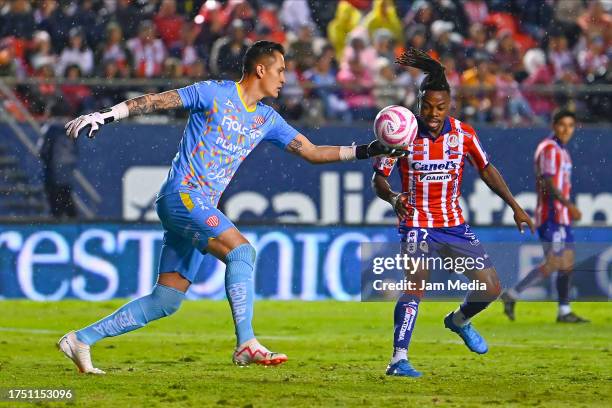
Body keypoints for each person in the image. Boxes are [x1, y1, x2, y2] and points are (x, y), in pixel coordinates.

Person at [58, 41, 401, 374]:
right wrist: (109, 114)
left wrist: (368, 150)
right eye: (280, 71)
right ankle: (247, 343)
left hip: (196, 205)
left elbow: (311, 152)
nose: (285, 78)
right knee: (242, 253)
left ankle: (81, 339)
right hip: (183, 195)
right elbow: (160, 101)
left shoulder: (266, 118)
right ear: (260, 69)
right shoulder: (214, 93)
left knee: (166, 300)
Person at [371, 48, 534, 378]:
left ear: (451, 106)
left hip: (453, 225)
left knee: (490, 288)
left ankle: (458, 321)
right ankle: (398, 359)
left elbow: (486, 169)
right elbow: (379, 178)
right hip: (416, 222)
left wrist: (515, 206)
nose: (433, 113)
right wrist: (392, 198)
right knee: (416, 284)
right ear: (418, 103)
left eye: (440, 107)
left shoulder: (464, 134)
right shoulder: (402, 134)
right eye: (427, 106)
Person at [501, 109, 589, 323]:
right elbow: (547, 182)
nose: (566, 130)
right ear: (554, 125)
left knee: (565, 262)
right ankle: (514, 295)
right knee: (555, 262)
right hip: (552, 215)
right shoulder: (549, 148)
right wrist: (569, 205)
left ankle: (563, 311)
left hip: (562, 217)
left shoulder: (562, 150)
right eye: (562, 125)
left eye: (570, 126)